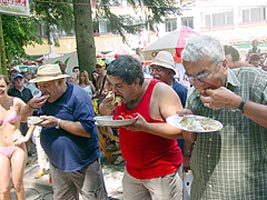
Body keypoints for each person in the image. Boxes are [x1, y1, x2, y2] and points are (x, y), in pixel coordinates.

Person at [179, 35, 267, 199]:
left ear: (224, 65)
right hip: (203, 191)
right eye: (190, 76)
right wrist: (187, 123)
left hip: (247, 194)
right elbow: (191, 139)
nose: (197, 84)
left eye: (202, 74)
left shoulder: (254, 80)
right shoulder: (193, 94)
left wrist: (238, 104)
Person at [99, 55, 184, 200]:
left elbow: (181, 131)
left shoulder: (161, 92)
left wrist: (146, 127)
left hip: (161, 173)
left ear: (136, 82)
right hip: (132, 171)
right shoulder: (120, 96)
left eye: (118, 85)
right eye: (111, 85)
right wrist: (104, 108)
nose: (113, 90)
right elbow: (109, 115)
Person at [24, 64, 108, 200]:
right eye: (39, 86)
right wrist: (29, 106)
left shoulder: (78, 97)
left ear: (60, 82)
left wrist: (58, 123)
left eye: (46, 85)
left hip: (83, 163)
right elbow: (23, 117)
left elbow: (87, 130)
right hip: (57, 164)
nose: (42, 90)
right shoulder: (42, 99)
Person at [0, 74, 28, 200]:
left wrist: (26, 137)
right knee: (4, 189)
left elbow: (33, 116)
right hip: (1, 148)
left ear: (7, 86)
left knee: (17, 184)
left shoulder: (16, 102)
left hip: (17, 146)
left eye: (2, 86)